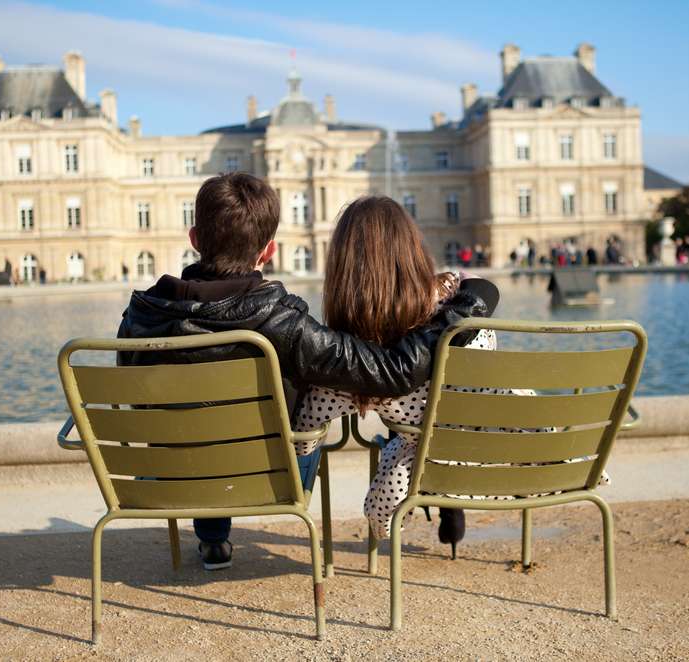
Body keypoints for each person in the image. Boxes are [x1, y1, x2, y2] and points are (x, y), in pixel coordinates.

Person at [115, 174, 488, 571]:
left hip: (166, 476)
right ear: (269, 250)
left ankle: (213, 540)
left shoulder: (138, 317)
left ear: (194, 238)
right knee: (303, 431)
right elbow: (389, 373)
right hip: (265, 477)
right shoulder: (282, 321)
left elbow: (136, 402)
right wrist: (466, 306)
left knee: (200, 429)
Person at [292, 196, 501, 556]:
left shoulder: (353, 353)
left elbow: (304, 439)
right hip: (505, 454)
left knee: (405, 431)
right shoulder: (466, 311)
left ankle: (425, 468)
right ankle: (447, 490)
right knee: (430, 406)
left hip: (417, 464)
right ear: (413, 248)